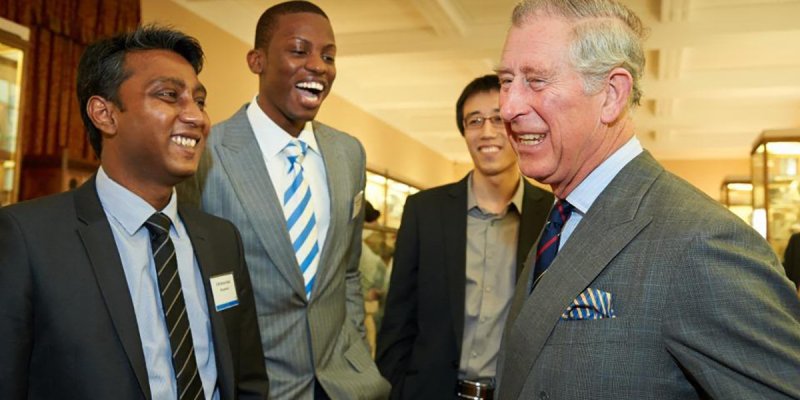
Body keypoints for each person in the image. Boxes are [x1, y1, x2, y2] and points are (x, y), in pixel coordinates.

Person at [493, 1, 800, 399]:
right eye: (505, 81)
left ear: (611, 95)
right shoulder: (560, 220)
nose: (509, 106)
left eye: (535, 81)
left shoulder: (700, 241)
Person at [0, 26, 269, 399]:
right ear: (105, 114)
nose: (197, 117)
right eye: (169, 95)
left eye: (200, 101)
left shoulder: (222, 240)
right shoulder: (27, 239)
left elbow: (247, 380)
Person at [178, 1, 390, 399]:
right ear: (256, 60)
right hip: (255, 386)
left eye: (328, 56)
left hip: (344, 385)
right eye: (299, 50)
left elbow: (347, 273)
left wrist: (359, 356)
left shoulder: (349, 154)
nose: (318, 66)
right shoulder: (207, 154)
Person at [376, 75, 554, 400]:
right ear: (464, 131)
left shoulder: (552, 214)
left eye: (498, 119)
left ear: (517, 126)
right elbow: (397, 322)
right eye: (475, 121)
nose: (487, 131)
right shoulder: (424, 212)